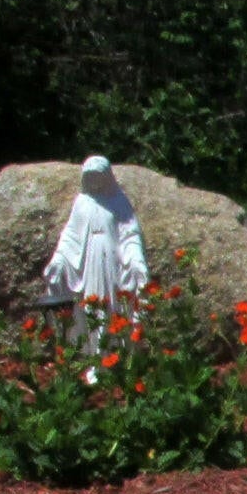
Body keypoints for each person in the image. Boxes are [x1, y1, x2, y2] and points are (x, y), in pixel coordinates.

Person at [42, 156, 149, 367]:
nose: (95, 181)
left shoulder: (118, 201)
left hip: (111, 261)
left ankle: (114, 355)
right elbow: (70, 236)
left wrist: (136, 258)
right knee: (90, 306)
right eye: (91, 177)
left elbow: (129, 234)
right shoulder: (81, 202)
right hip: (89, 262)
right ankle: (93, 356)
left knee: (111, 305)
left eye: (99, 176)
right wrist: (60, 259)